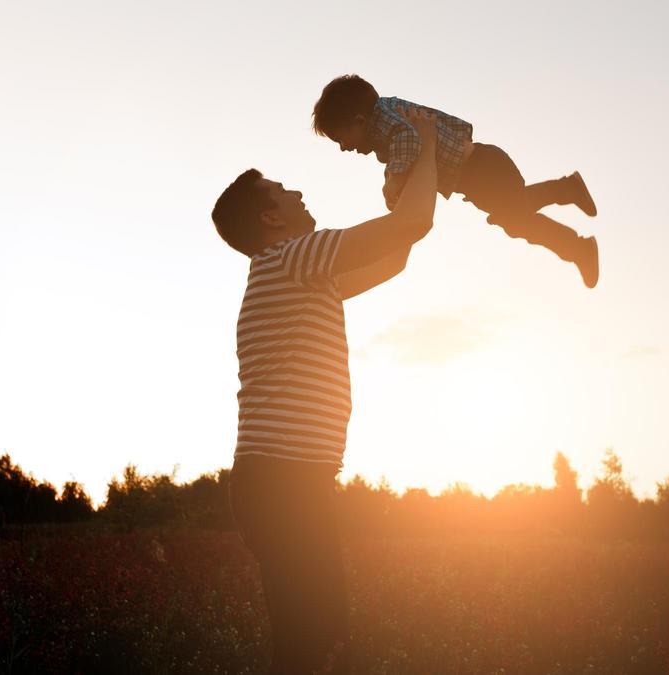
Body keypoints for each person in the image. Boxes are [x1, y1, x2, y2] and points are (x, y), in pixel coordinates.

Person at [211, 109, 440, 674]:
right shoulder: (292, 258)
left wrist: (406, 183)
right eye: (283, 189)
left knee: (321, 637)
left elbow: (398, 251)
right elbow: (413, 225)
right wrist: (429, 148)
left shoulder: (303, 270)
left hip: (294, 480)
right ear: (270, 216)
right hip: (281, 481)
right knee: (312, 642)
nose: (298, 191)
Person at [312, 73, 601, 288]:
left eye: (340, 138)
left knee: (513, 218)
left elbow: (409, 140)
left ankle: (571, 216)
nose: (343, 147)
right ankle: (575, 236)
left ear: (359, 121)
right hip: (479, 171)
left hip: (482, 169)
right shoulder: (389, 117)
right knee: (514, 218)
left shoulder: (386, 123)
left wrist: (394, 181)